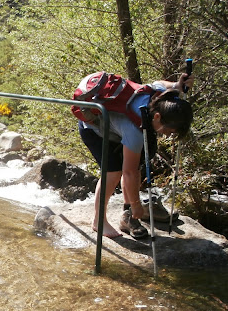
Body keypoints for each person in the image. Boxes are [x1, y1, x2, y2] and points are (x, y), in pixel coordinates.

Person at [78, 72, 194, 238]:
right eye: (169, 130)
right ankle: (99, 221)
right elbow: (129, 172)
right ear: (157, 116)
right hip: (93, 127)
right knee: (113, 172)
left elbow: (159, 83)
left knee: (134, 164)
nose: (168, 135)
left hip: (115, 124)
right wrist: (136, 204)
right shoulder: (135, 132)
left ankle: (128, 216)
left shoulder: (160, 98)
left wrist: (178, 85)